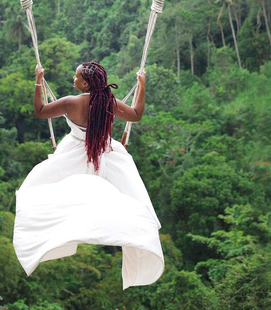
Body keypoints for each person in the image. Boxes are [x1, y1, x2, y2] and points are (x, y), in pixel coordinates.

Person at [13, 61, 164, 289]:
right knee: (126, 197)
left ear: (85, 83)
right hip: (105, 154)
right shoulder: (109, 102)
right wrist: (141, 85)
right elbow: (135, 114)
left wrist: (38, 81)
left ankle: (55, 233)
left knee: (41, 189)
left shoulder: (70, 103)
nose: (73, 80)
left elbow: (40, 111)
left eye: (76, 77)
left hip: (73, 153)